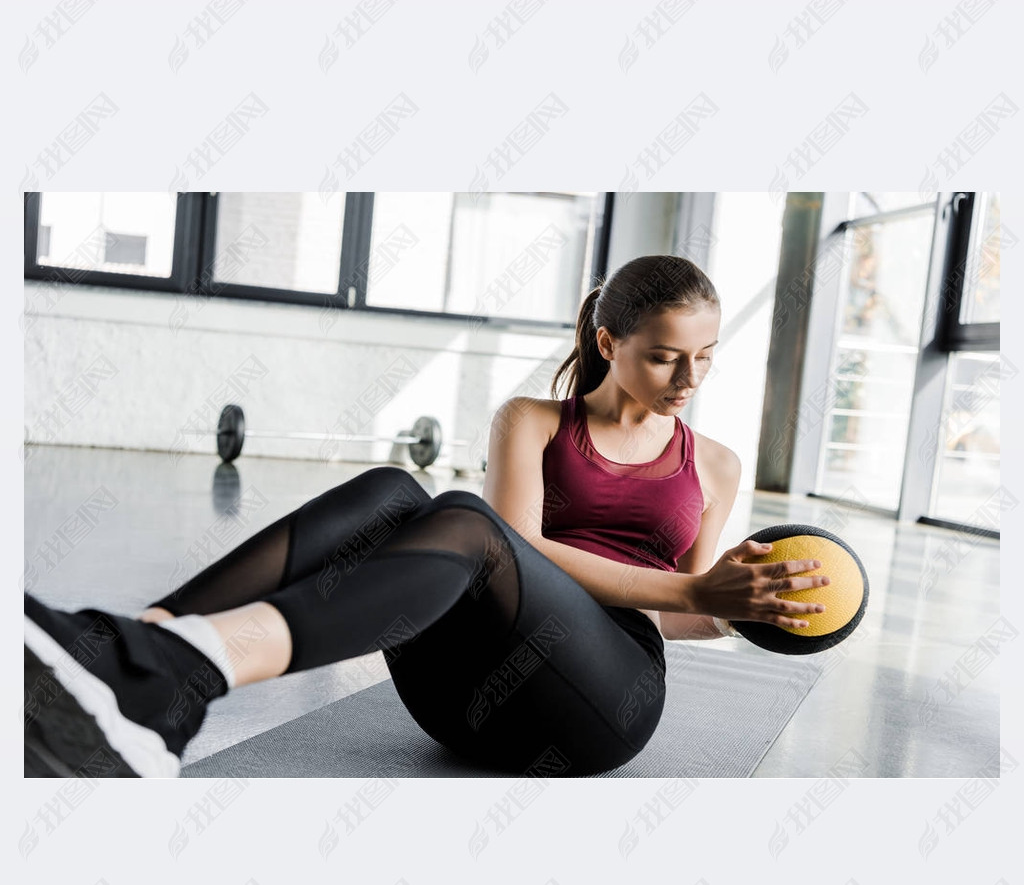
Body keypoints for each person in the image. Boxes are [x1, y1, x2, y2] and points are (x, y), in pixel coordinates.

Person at [24, 255, 830, 778]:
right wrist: (694, 595)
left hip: (595, 704)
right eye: (665, 354)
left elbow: (681, 608)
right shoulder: (533, 422)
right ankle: (125, 652)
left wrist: (736, 608)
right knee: (392, 493)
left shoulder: (714, 463)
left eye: (706, 355)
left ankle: (178, 668)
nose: (690, 376)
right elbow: (521, 550)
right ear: (610, 341)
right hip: (462, 692)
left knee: (465, 523)